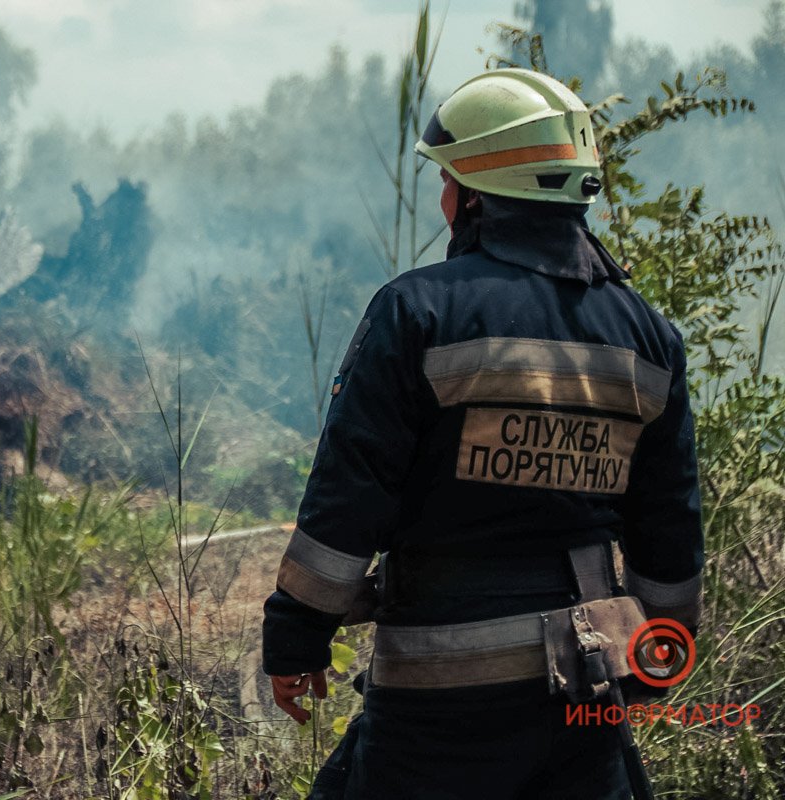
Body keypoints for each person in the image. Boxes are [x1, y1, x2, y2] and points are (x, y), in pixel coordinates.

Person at [261, 68, 704, 799]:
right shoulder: (648, 338)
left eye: (448, 179)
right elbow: (669, 524)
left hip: (437, 690)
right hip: (590, 687)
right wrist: (661, 652)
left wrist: (297, 636)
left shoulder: (418, 314)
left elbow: (350, 494)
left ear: (473, 196)